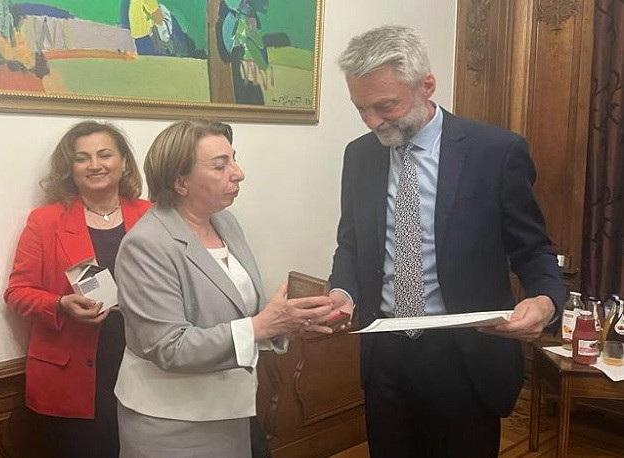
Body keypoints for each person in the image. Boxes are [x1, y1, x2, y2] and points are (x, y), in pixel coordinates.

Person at [328, 25, 565, 457]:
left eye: (386, 106)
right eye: (361, 109)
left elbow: (533, 250)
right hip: (385, 356)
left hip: (466, 358)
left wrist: (546, 301)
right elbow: (351, 244)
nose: (373, 122)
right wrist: (342, 292)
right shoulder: (359, 155)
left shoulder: (496, 152)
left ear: (427, 85)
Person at [113, 119, 340, 458]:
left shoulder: (224, 221)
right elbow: (169, 346)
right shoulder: (146, 245)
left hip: (232, 408)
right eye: (220, 166)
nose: (239, 173)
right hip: (173, 423)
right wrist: (262, 326)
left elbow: (242, 314)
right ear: (180, 182)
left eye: (234, 159)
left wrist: (288, 322)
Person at [5, 121, 150, 457]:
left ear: (124, 162)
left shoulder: (152, 215)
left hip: (142, 363)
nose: (94, 165)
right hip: (73, 373)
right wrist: (60, 304)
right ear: (70, 168)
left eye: (104, 155)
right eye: (82, 158)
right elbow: (17, 292)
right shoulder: (45, 221)